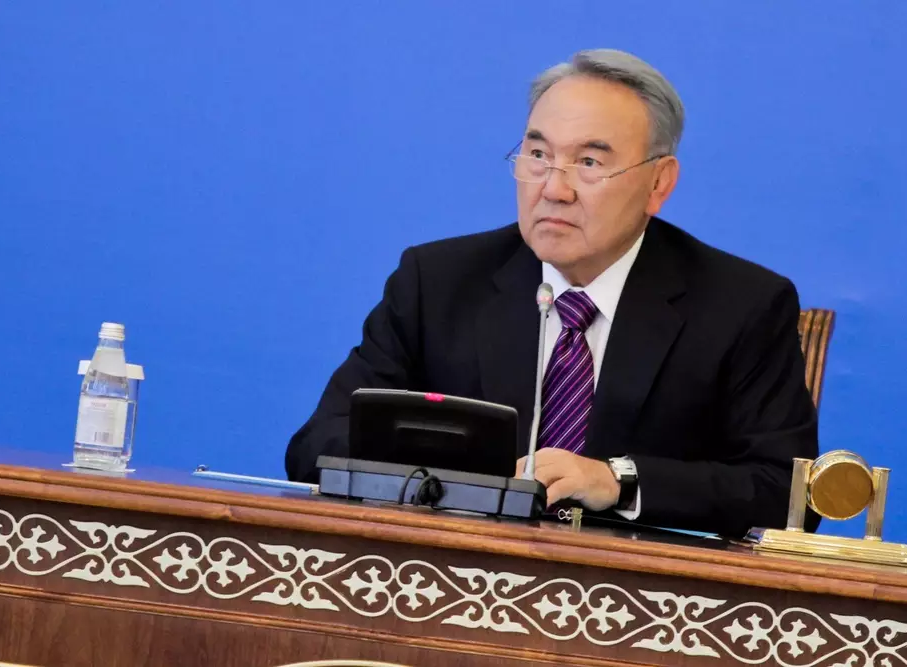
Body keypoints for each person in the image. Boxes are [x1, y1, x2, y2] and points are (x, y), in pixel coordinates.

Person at [286, 49, 818, 537]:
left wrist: (618, 483)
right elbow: (317, 446)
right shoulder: (438, 282)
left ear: (659, 183)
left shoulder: (740, 306)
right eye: (538, 154)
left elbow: (787, 496)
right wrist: (462, 480)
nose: (553, 188)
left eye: (589, 163)